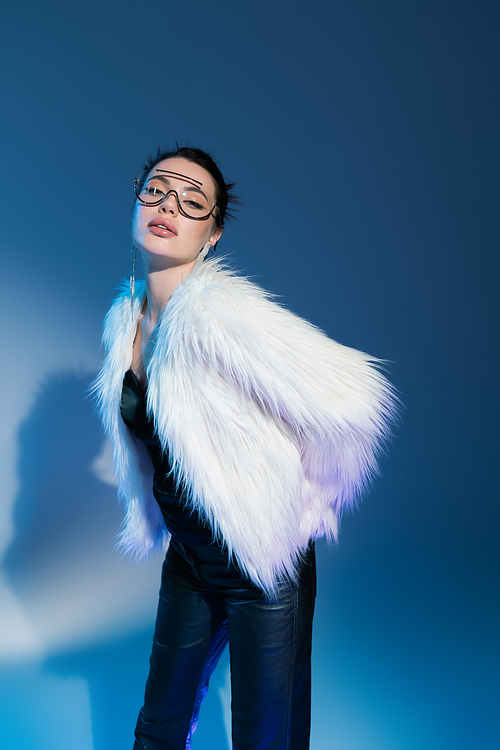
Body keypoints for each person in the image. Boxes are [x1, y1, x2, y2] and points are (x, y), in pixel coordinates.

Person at [93, 146, 397, 750]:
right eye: (157, 190)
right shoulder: (127, 319)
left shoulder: (221, 316)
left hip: (261, 567)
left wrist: (292, 510)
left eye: (191, 201)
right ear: (137, 200)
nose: (168, 206)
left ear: (211, 234)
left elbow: (356, 398)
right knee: (159, 725)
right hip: (190, 558)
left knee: (267, 740)